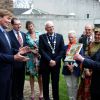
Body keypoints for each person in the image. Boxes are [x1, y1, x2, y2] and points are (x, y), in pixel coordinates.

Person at [0, 9, 29, 100]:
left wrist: (19, 52)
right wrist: (13, 57)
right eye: (8, 18)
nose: (9, 21)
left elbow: (8, 49)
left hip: (9, 72)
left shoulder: (4, 32)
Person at [39, 21, 64, 100]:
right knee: (45, 83)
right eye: (49, 27)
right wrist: (50, 60)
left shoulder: (60, 36)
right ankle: (46, 98)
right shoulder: (42, 37)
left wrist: (55, 61)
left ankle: (56, 98)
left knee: (55, 83)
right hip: (45, 64)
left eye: (52, 26)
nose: (51, 28)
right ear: (46, 28)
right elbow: (41, 50)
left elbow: (62, 50)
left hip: (56, 64)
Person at [8, 18, 28, 100]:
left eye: (20, 24)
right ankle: (13, 97)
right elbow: (8, 48)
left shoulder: (23, 34)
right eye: (17, 24)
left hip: (23, 62)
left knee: (21, 81)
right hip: (14, 62)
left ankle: (20, 96)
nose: (19, 26)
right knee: (14, 82)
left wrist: (29, 50)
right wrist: (19, 51)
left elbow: (26, 46)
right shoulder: (8, 34)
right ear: (12, 25)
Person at [62, 31, 82, 100]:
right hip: (66, 69)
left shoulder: (79, 46)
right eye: (69, 37)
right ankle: (71, 98)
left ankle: (75, 98)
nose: (70, 38)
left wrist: (73, 66)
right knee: (69, 85)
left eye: (72, 37)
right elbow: (63, 59)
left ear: (75, 38)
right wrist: (68, 65)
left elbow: (80, 60)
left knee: (75, 85)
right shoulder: (65, 47)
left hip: (75, 69)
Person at [25, 21, 43, 100]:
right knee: (31, 75)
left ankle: (41, 92)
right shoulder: (26, 36)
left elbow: (43, 44)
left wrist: (39, 51)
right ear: (27, 28)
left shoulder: (40, 34)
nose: (30, 27)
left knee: (40, 75)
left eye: (31, 26)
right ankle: (32, 92)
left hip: (39, 57)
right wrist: (32, 51)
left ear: (33, 26)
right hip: (30, 57)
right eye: (28, 26)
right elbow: (25, 46)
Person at [77, 24, 94, 100]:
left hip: (94, 66)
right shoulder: (81, 39)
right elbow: (80, 53)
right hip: (83, 65)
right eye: (86, 29)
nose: (87, 31)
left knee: (93, 85)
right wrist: (85, 68)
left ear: (92, 30)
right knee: (84, 84)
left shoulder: (96, 39)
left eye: (89, 29)